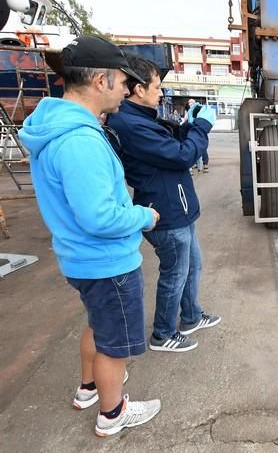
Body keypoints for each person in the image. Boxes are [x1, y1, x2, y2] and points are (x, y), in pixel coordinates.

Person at [18, 36, 161, 437]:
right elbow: (99, 216)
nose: (124, 89)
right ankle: (112, 412)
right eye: (121, 81)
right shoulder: (80, 140)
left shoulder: (58, 128)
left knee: (99, 327)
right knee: (114, 344)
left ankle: (89, 388)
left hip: (81, 258)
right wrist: (143, 216)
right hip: (105, 260)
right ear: (101, 80)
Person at [107, 54, 221, 353]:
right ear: (139, 89)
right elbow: (183, 156)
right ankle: (163, 333)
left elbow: (171, 145)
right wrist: (201, 128)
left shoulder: (140, 119)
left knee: (192, 266)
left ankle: (192, 316)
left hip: (177, 209)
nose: (161, 93)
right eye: (157, 87)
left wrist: (188, 125)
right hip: (166, 213)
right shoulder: (131, 124)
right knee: (175, 274)